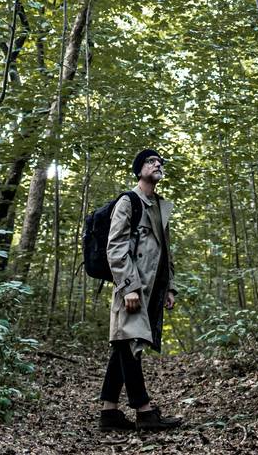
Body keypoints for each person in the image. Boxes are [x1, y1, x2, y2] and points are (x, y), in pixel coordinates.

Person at [99, 148, 183, 432]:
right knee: (130, 344)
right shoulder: (128, 201)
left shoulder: (159, 205)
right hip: (132, 287)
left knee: (125, 343)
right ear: (139, 170)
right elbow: (116, 247)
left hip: (151, 289)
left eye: (160, 161)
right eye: (151, 161)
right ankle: (145, 411)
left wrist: (169, 287)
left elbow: (165, 251)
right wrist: (129, 287)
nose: (158, 163)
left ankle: (109, 413)